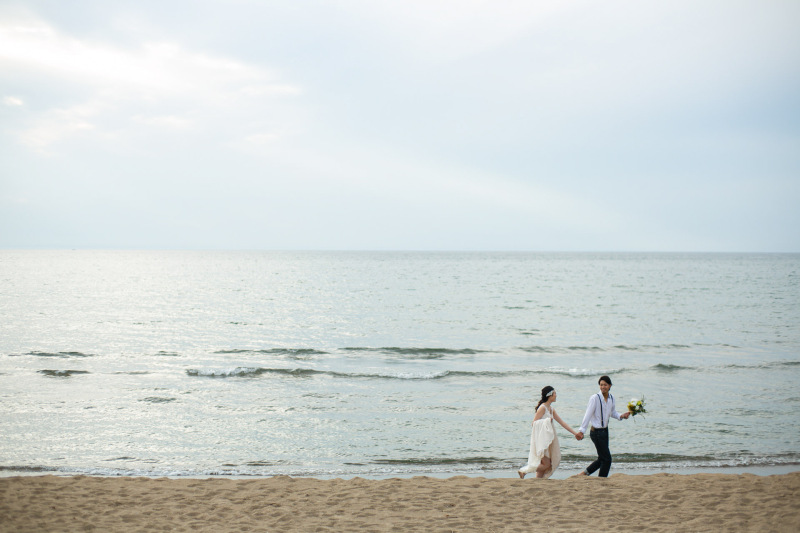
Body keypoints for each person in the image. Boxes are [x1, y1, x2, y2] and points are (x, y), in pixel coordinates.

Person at [518, 386, 582, 479]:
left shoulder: (551, 409)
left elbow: (562, 422)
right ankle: (524, 471)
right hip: (541, 441)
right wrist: (546, 421)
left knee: (544, 465)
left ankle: (538, 481)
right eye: (555, 393)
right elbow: (534, 423)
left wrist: (575, 433)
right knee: (547, 464)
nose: (556, 395)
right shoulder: (542, 408)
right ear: (550, 395)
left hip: (548, 441)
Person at [576, 375, 630, 477]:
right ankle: (601, 479)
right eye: (601, 385)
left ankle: (583, 474)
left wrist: (621, 416)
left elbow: (612, 412)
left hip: (605, 431)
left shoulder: (611, 398)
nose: (603, 387)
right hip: (596, 432)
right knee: (607, 459)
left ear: (610, 386)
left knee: (602, 458)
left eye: (605, 385)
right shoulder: (595, 398)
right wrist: (581, 431)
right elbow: (587, 415)